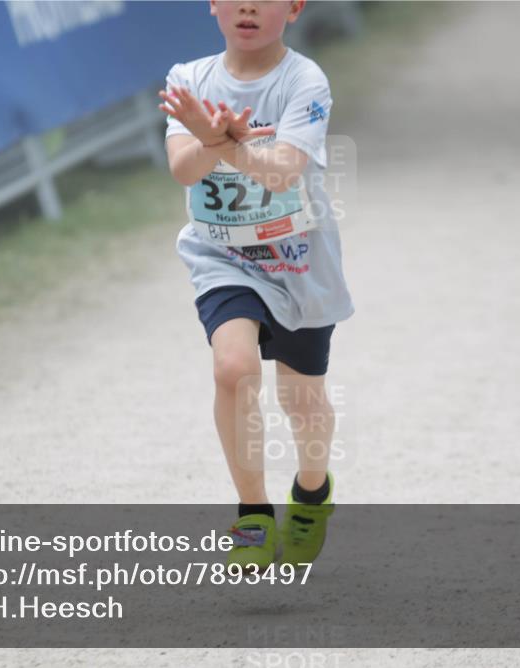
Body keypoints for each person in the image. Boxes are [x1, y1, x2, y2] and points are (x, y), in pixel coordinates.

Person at [158, 0, 353, 570]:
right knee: (233, 368)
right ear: (213, 4)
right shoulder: (188, 79)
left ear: (293, 8)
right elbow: (183, 170)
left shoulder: (305, 80)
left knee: (302, 399)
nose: (247, 6)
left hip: (298, 260)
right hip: (223, 255)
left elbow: (284, 170)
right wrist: (208, 139)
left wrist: (225, 143)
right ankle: (253, 515)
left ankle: (313, 494)